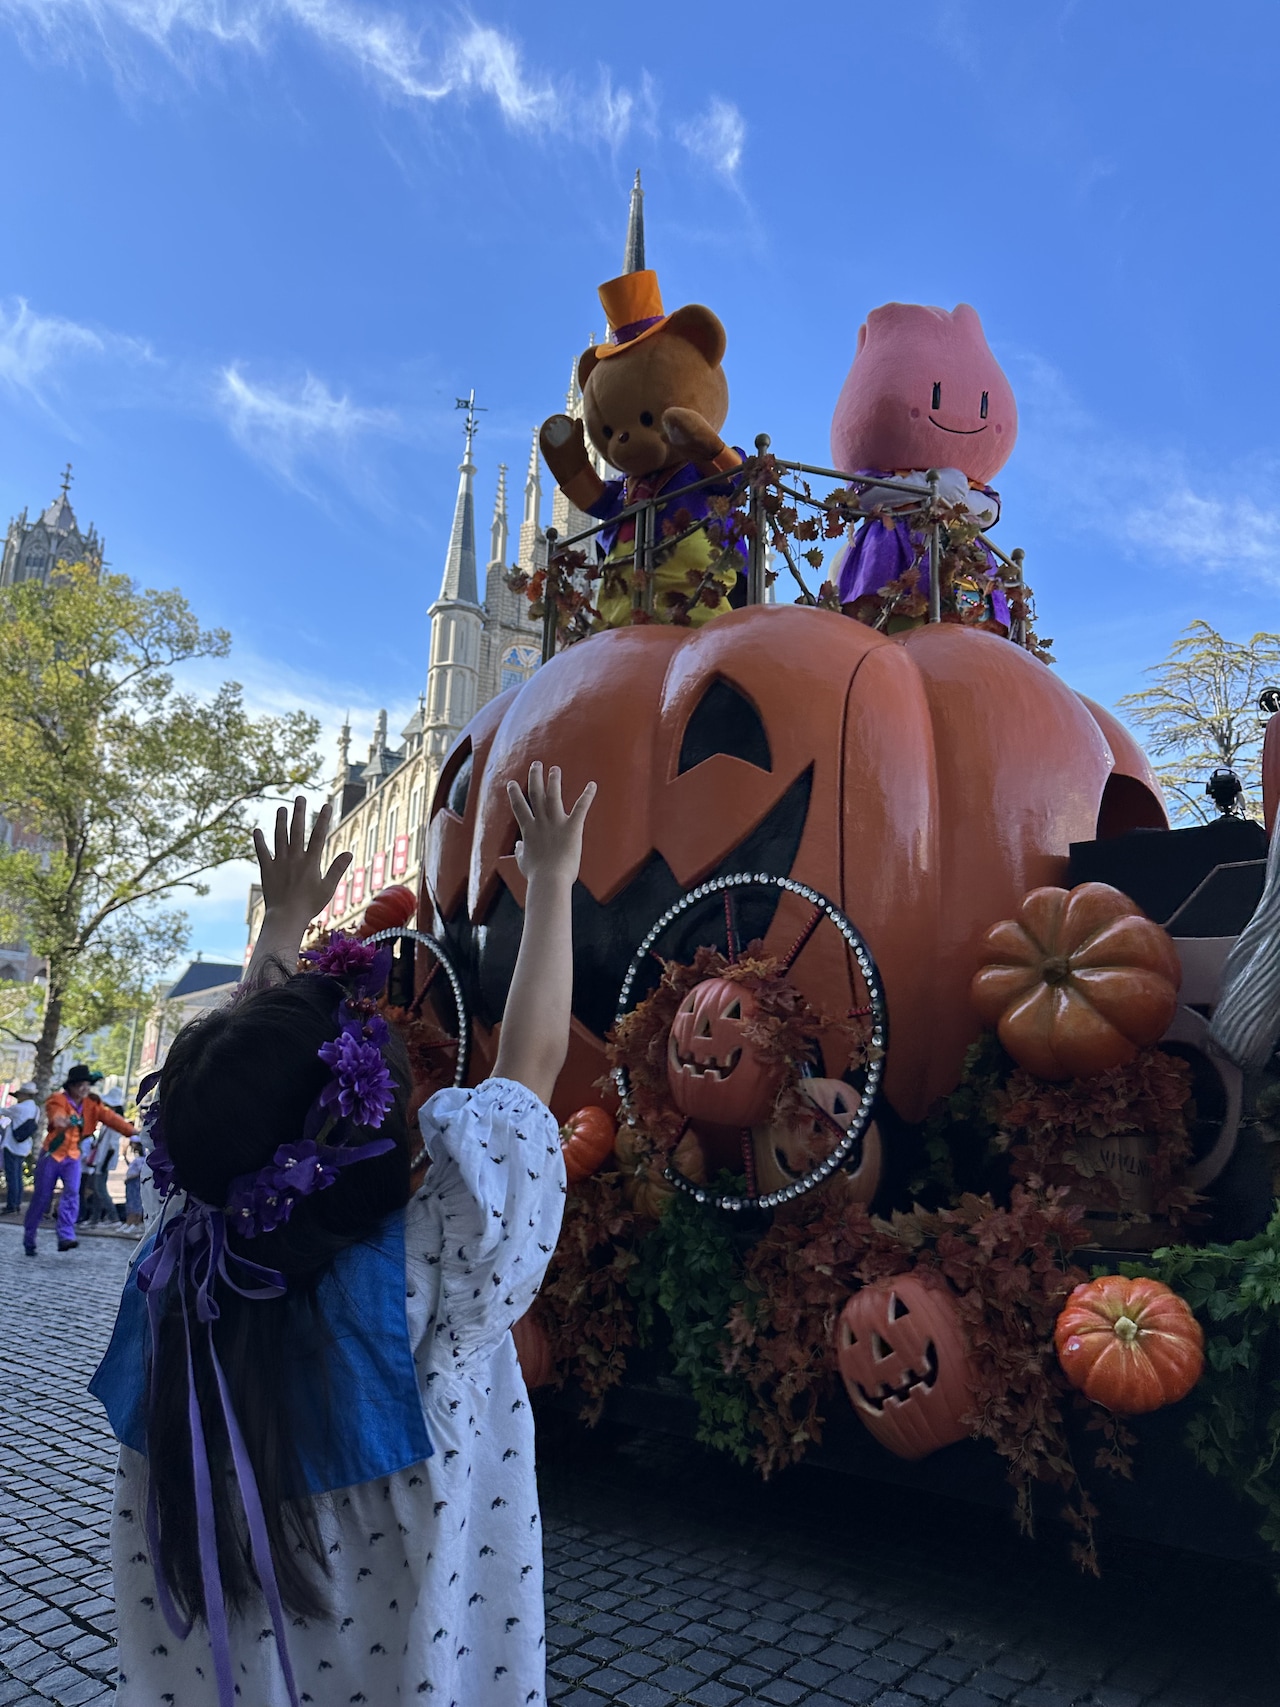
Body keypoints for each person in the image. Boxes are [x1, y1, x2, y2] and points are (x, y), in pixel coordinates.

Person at [91, 767, 594, 1707]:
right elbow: (531, 1062)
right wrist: (555, 879)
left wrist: (279, 928)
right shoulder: (436, 1284)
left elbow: (242, 1110)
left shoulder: (181, 1273)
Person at [24, 1065, 137, 1255]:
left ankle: (66, 1236)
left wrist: (133, 1132)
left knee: (72, 1193)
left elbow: (110, 1118)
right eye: (80, 1085)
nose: (84, 1089)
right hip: (52, 1155)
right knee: (42, 1197)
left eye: (86, 1085)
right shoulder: (57, 1099)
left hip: (72, 1156)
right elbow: (56, 1114)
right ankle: (29, 1238)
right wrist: (63, 1121)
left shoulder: (91, 1104)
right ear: (72, 1086)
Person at [83, 1094, 126, 1226]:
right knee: (97, 1190)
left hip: (104, 1161)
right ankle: (95, 1219)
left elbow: (112, 1146)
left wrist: (104, 1164)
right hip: (100, 1159)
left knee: (100, 1189)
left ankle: (114, 1218)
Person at [2, 1082, 37, 1214]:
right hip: (24, 1145)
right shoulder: (35, 1109)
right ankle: (16, 1203)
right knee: (18, 1175)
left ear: (24, 1095)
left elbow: (3, 1111)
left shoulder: (19, 1108)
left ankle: (11, 1205)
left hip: (12, 1144)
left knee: (12, 1176)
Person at [123, 1141, 145, 1226]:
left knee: (136, 1202)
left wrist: (129, 1178)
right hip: (131, 1182)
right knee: (130, 1202)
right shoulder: (137, 1159)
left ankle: (136, 1222)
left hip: (135, 1182)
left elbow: (140, 1171)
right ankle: (129, 1222)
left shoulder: (141, 1159)